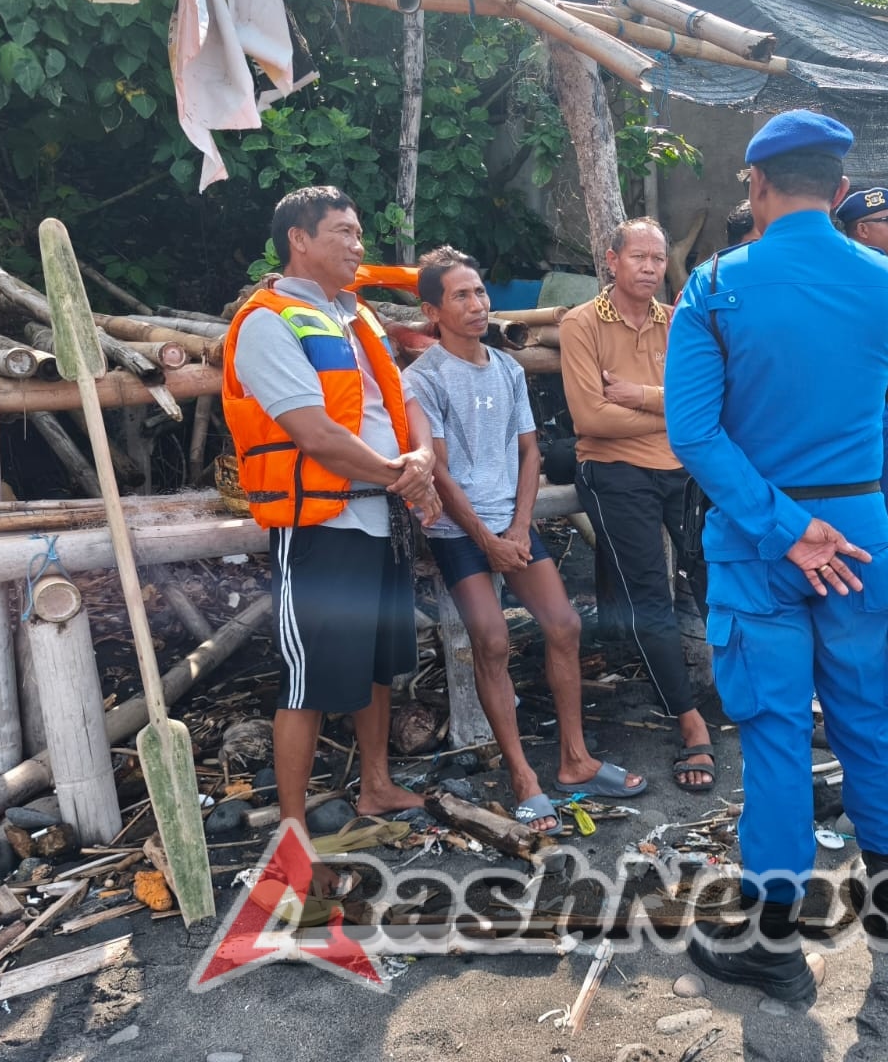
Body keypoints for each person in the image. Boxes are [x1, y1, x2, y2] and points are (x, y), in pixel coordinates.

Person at [666, 111, 888, 1006]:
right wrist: (820, 520)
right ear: (843, 192)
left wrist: (782, 526)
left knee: (777, 736)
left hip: (755, 540)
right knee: (869, 719)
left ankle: (773, 946)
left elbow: (693, 431)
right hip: (859, 534)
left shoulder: (714, 286)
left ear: (758, 187)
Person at [221, 186, 441, 889]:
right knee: (308, 681)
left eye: (358, 232)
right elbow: (313, 431)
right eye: (343, 233)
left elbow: (403, 400)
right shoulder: (266, 322)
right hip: (320, 523)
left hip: (379, 515)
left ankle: (374, 785)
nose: (357, 245)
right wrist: (399, 474)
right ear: (299, 240)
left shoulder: (357, 316)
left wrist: (422, 460)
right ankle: (291, 837)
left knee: (378, 664)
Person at [402, 248, 645, 832]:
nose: (477, 304)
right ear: (432, 310)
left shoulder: (507, 368)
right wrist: (486, 537)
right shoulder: (422, 377)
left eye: (480, 292)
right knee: (489, 641)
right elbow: (434, 468)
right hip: (458, 527)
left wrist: (517, 526)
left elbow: (530, 451)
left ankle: (575, 760)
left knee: (564, 625)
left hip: (511, 522)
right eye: (460, 296)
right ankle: (522, 777)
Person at [559, 220, 716, 793]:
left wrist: (641, 396)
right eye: (639, 258)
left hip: (680, 467)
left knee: (713, 574)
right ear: (612, 261)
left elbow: (702, 402)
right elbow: (591, 419)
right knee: (649, 596)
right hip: (614, 470)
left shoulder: (676, 322)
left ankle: (750, 694)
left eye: (657, 258)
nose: (650, 268)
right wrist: (669, 409)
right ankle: (690, 722)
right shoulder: (580, 324)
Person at [836, 186, 888, 534]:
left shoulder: (831, 273)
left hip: (838, 408)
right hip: (882, 406)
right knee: (882, 510)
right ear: (862, 230)